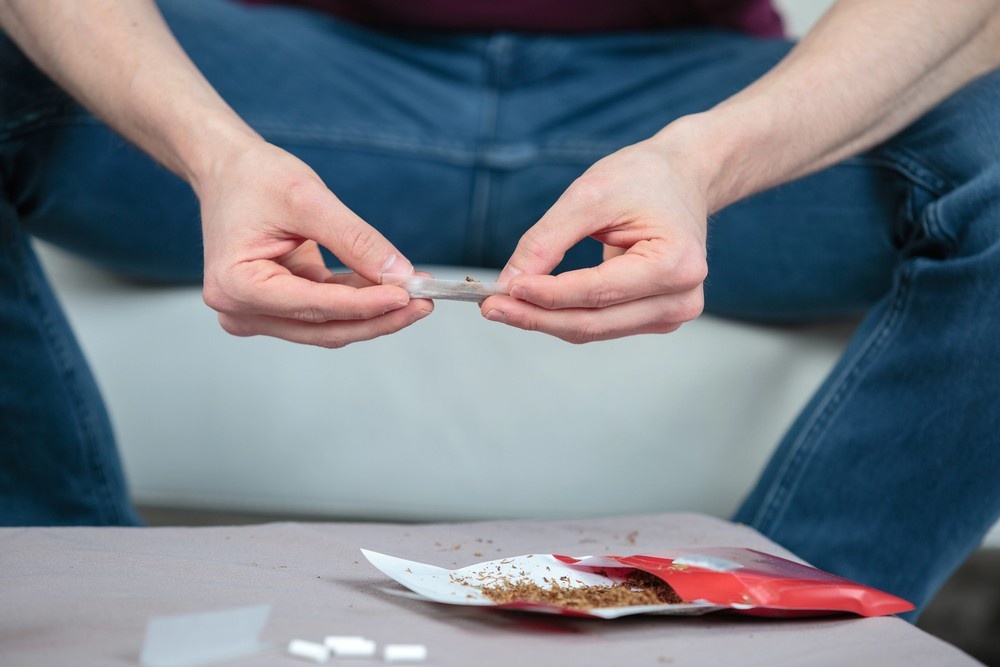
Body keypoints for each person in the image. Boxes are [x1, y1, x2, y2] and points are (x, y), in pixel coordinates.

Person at [1, 0, 997, 619]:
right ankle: (84, 618)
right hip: (280, 79)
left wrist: (704, 159)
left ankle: (778, 643)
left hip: (686, 97)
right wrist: (211, 149)